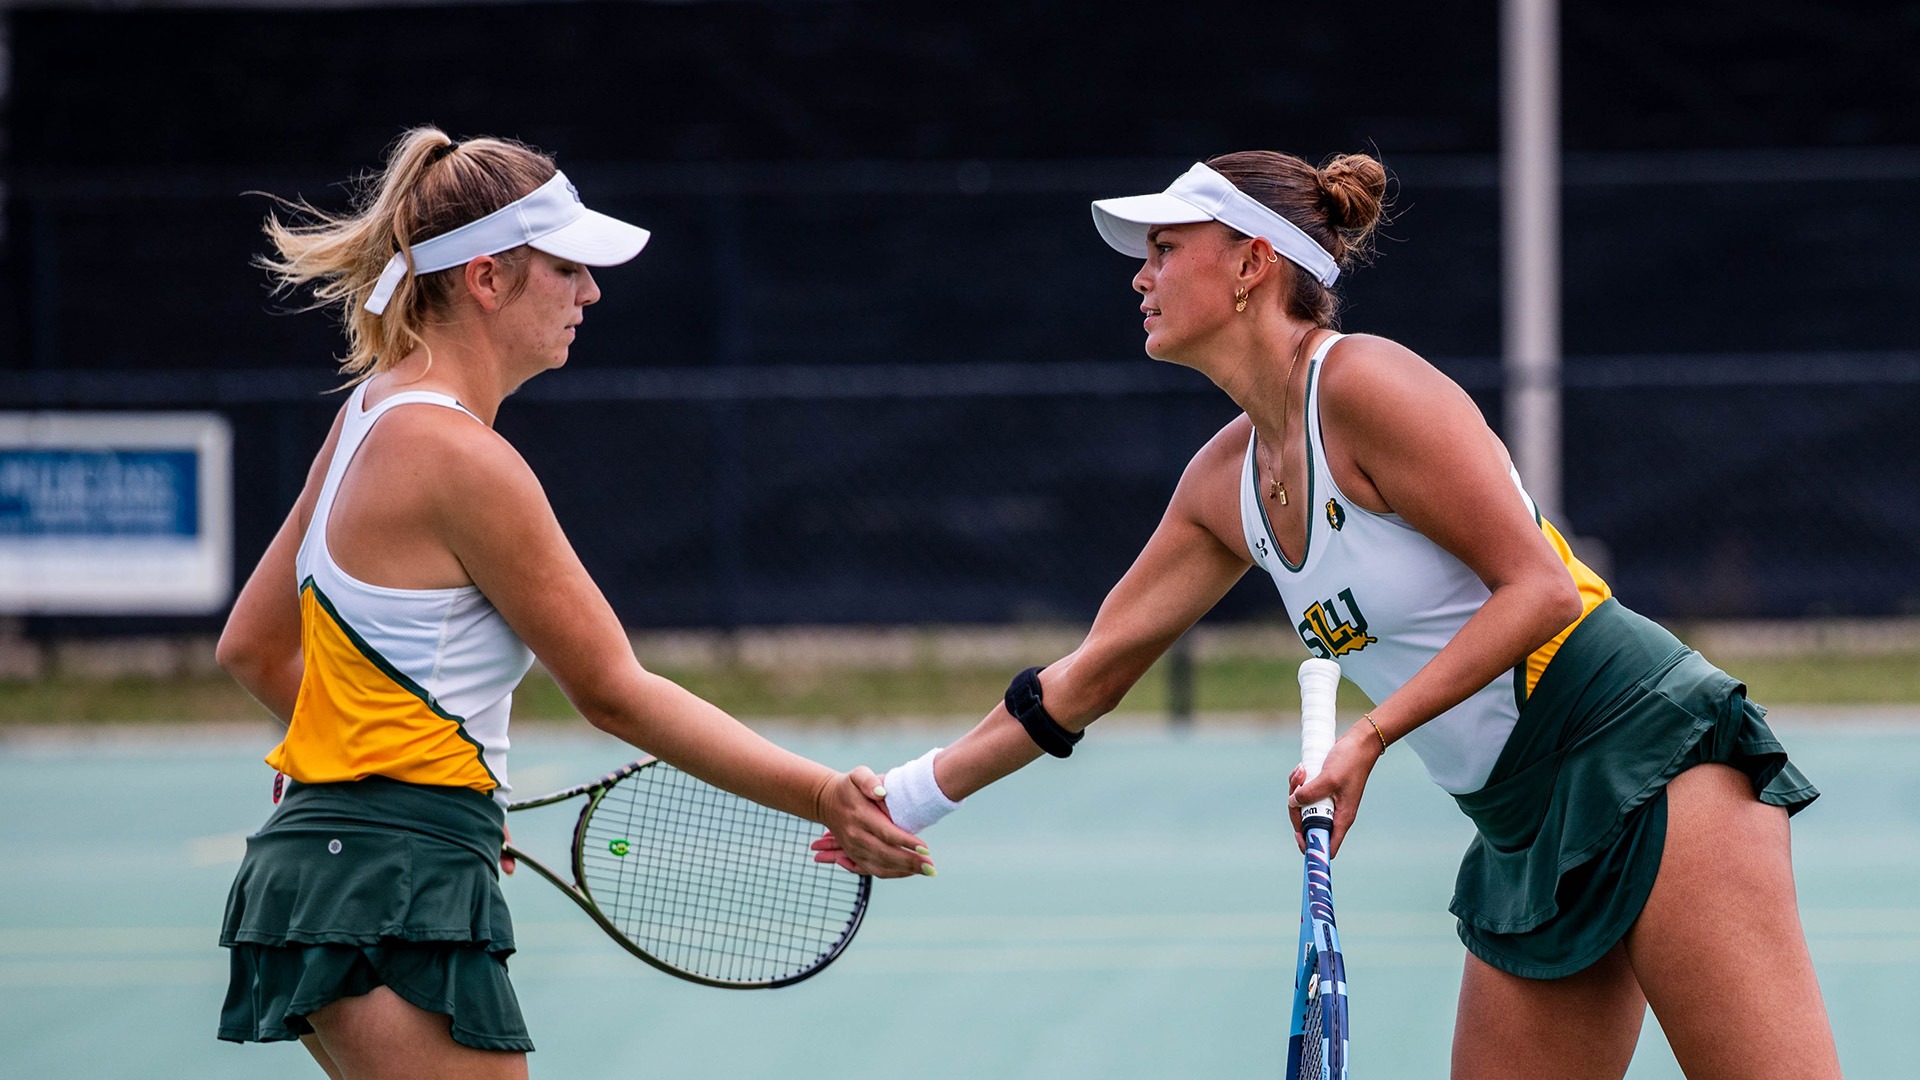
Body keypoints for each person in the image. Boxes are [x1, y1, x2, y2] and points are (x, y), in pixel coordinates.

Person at [821, 152, 1842, 1079]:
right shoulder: (1223, 483)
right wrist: (902, 802)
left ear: (1251, 266)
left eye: (1165, 249)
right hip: (1520, 822)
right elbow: (1086, 677)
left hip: (1645, 750)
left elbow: (1535, 587)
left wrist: (1371, 735)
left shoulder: (1369, 386)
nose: (1139, 274)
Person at [214, 127, 932, 1080]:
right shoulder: (466, 461)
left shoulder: (369, 413)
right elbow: (614, 692)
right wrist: (821, 796)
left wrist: (424, 785)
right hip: (384, 885)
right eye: (567, 268)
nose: (590, 291)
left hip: (332, 869)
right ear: (486, 278)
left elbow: (253, 650)